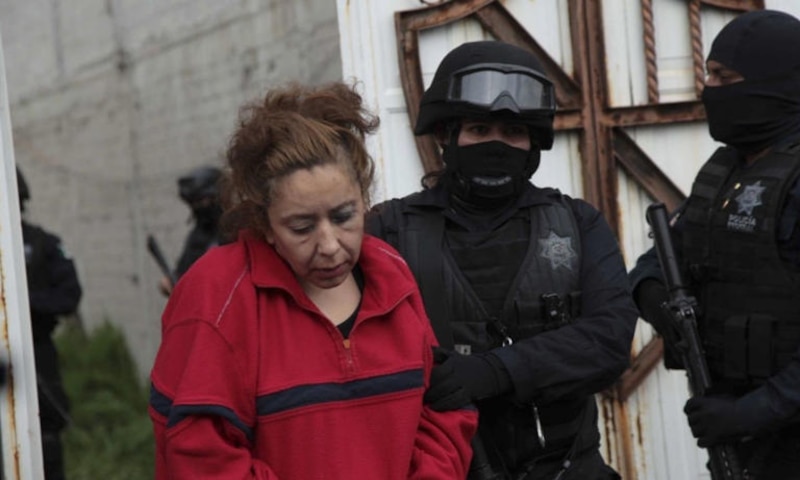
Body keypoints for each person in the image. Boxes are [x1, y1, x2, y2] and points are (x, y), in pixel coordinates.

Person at [148, 82, 477, 479]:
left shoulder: (391, 275)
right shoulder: (217, 295)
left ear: (364, 200)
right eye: (301, 227)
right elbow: (200, 455)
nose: (329, 246)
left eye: (344, 217)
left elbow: (440, 411)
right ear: (265, 223)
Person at [366, 41, 638, 480]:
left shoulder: (576, 223)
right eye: (479, 129)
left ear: (533, 145)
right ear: (445, 135)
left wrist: (492, 372)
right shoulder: (388, 232)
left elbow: (609, 340)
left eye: (513, 133)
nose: (496, 145)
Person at [629, 10, 800, 479]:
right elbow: (663, 256)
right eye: (708, 73)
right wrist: (654, 297)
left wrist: (758, 410)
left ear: (771, 81)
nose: (710, 87)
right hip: (739, 428)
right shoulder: (727, 169)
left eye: (724, 76)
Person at [17, 166, 82, 480]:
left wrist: (20, 304)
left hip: (38, 353)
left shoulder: (43, 244)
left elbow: (69, 296)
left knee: (45, 441)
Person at [158, 165, 223, 295]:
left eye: (202, 201)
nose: (198, 207)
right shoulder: (198, 234)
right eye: (194, 203)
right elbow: (183, 270)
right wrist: (170, 282)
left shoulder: (235, 233)